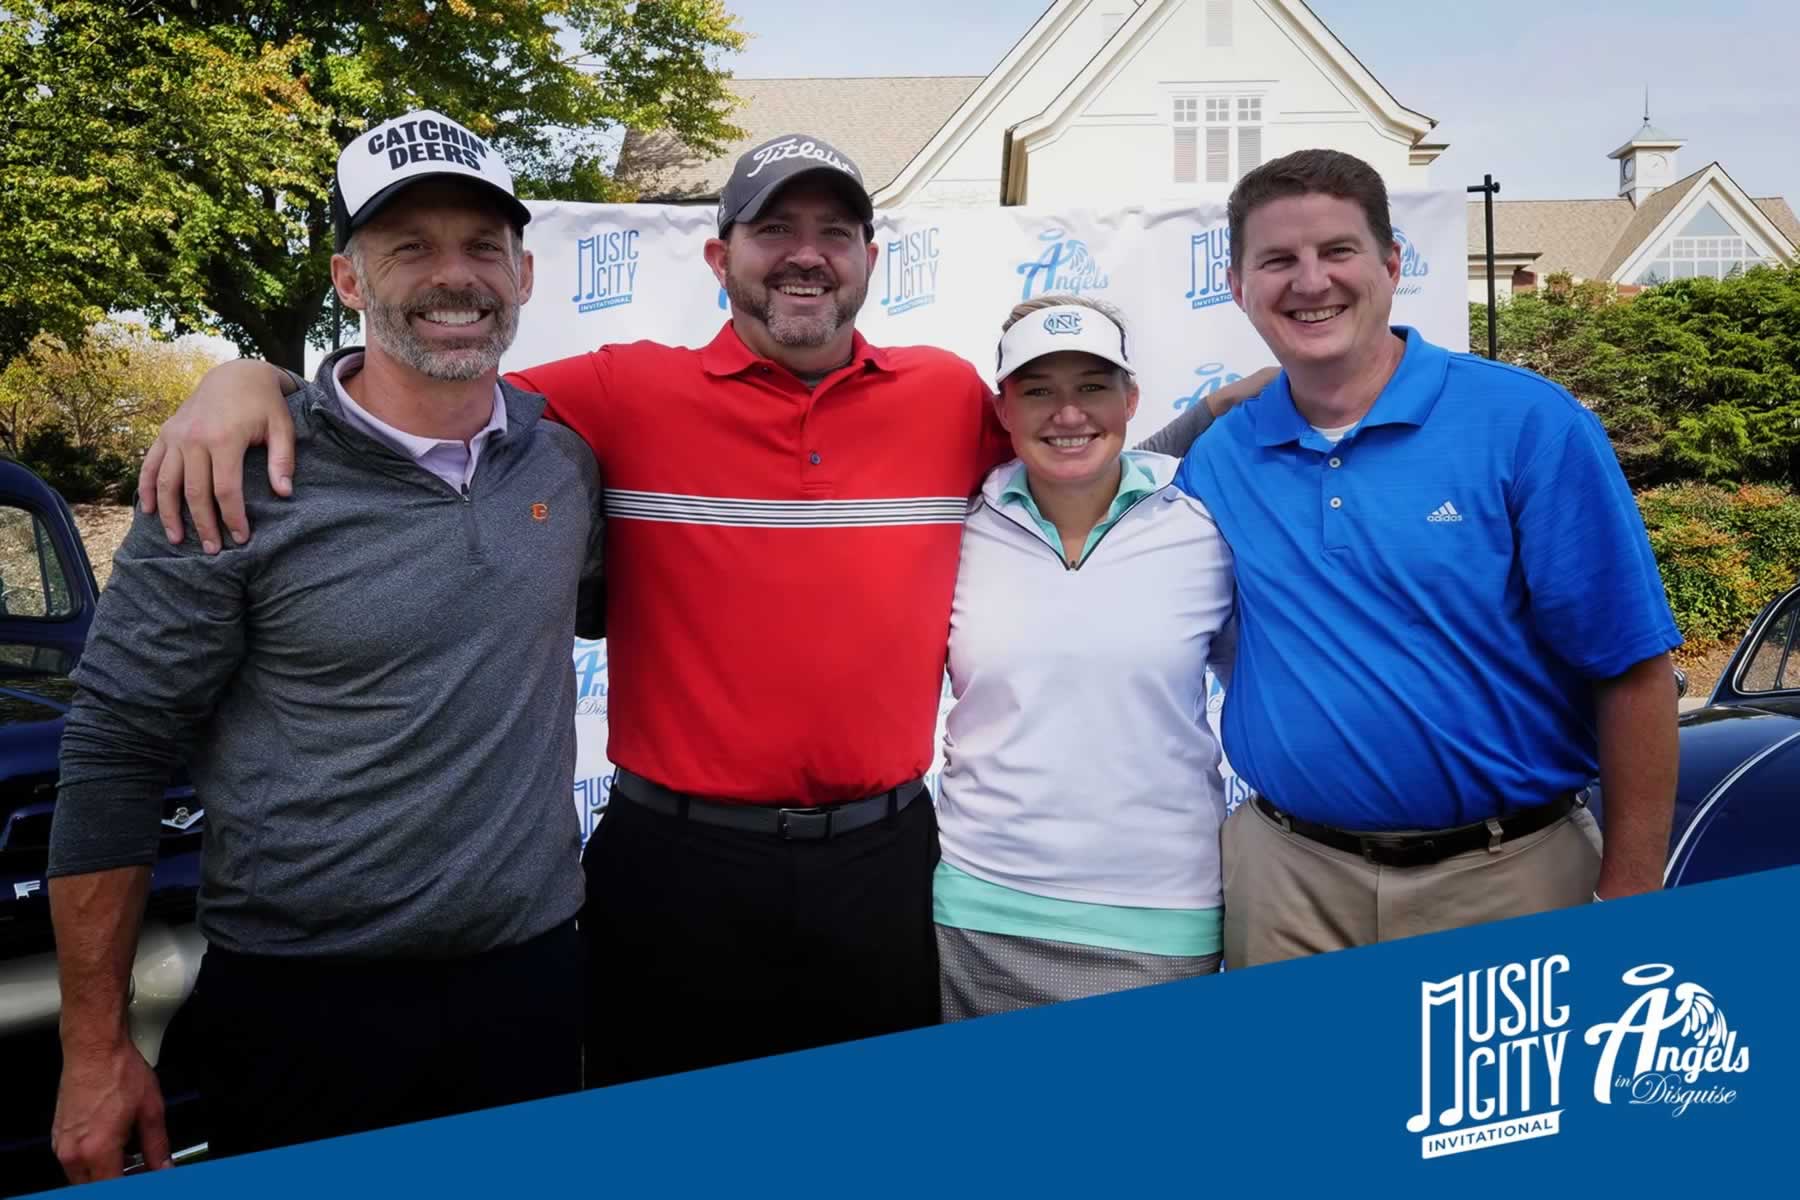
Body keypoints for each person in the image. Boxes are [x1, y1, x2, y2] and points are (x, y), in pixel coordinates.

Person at [130, 132, 1269, 1083]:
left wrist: (1254, 400)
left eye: (834, 232)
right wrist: (250, 380)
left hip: (881, 865)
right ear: (722, 257)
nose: (806, 255)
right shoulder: (623, 390)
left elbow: (1080, 454)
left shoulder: (944, 398)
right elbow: (420, 390)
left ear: (871, 260)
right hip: (671, 869)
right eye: (775, 230)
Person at [47, 109, 602, 1182]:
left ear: (525, 275)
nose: (455, 276)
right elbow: (116, 748)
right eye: (410, 247)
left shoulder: (561, 466)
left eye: (483, 247)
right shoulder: (230, 475)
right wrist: (93, 1047)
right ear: (349, 280)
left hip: (529, 986)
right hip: (304, 1008)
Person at [1172, 149, 1682, 968]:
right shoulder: (1219, 459)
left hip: (1509, 878)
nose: (1310, 281)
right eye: (1277, 260)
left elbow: (1633, 670)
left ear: (1391, 264)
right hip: (1287, 889)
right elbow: (1084, 481)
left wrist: (1631, 897)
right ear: (1237, 285)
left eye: (1337, 250)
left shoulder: (1527, 425)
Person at [934, 295, 1237, 1018]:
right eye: (1039, 391)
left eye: (1093, 386)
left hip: (1162, 915)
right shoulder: (954, 530)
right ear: (1002, 410)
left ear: (1131, 399)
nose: (1068, 414)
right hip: (980, 912)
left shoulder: (1204, 525)